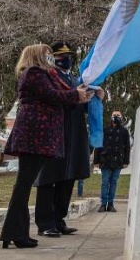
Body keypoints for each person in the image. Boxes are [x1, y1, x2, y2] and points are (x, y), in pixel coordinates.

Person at [0, 44, 93, 249]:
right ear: (37, 56)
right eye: (48, 54)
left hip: (37, 137)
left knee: (23, 187)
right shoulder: (34, 73)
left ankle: (15, 233)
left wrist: (81, 95)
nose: (51, 57)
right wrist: (75, 95)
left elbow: (65, 95)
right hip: (34, 136)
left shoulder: (45, 74)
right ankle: (14, 233)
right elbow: (54, 96)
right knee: (23, 187)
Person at [34, 41, 104, 238]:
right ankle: (45, 223)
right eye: (61, 56)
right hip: (54, 135)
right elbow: (56, 98)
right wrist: (76, 94)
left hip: (73, 137)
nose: (66, 59)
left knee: (67, 178)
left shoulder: (73, 79)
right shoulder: (48, 77)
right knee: (49, 179)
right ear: (52, 57)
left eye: (68, 56)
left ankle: (59, 220)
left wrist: (94, 96)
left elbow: (79, 104)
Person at [94, 110, 131, 213]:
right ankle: (103, 204)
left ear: (122, 117)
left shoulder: (124, 131)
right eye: (114, 115)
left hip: (118, 160)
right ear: (111, 117)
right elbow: (98, 145)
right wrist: (96, 160)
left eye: (118, 115)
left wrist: (126, 161)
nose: (116, 117)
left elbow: (127, 147)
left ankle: (110, 204)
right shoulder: (104, 130)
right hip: (105, 160)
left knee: (113, 182)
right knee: (105, 183)